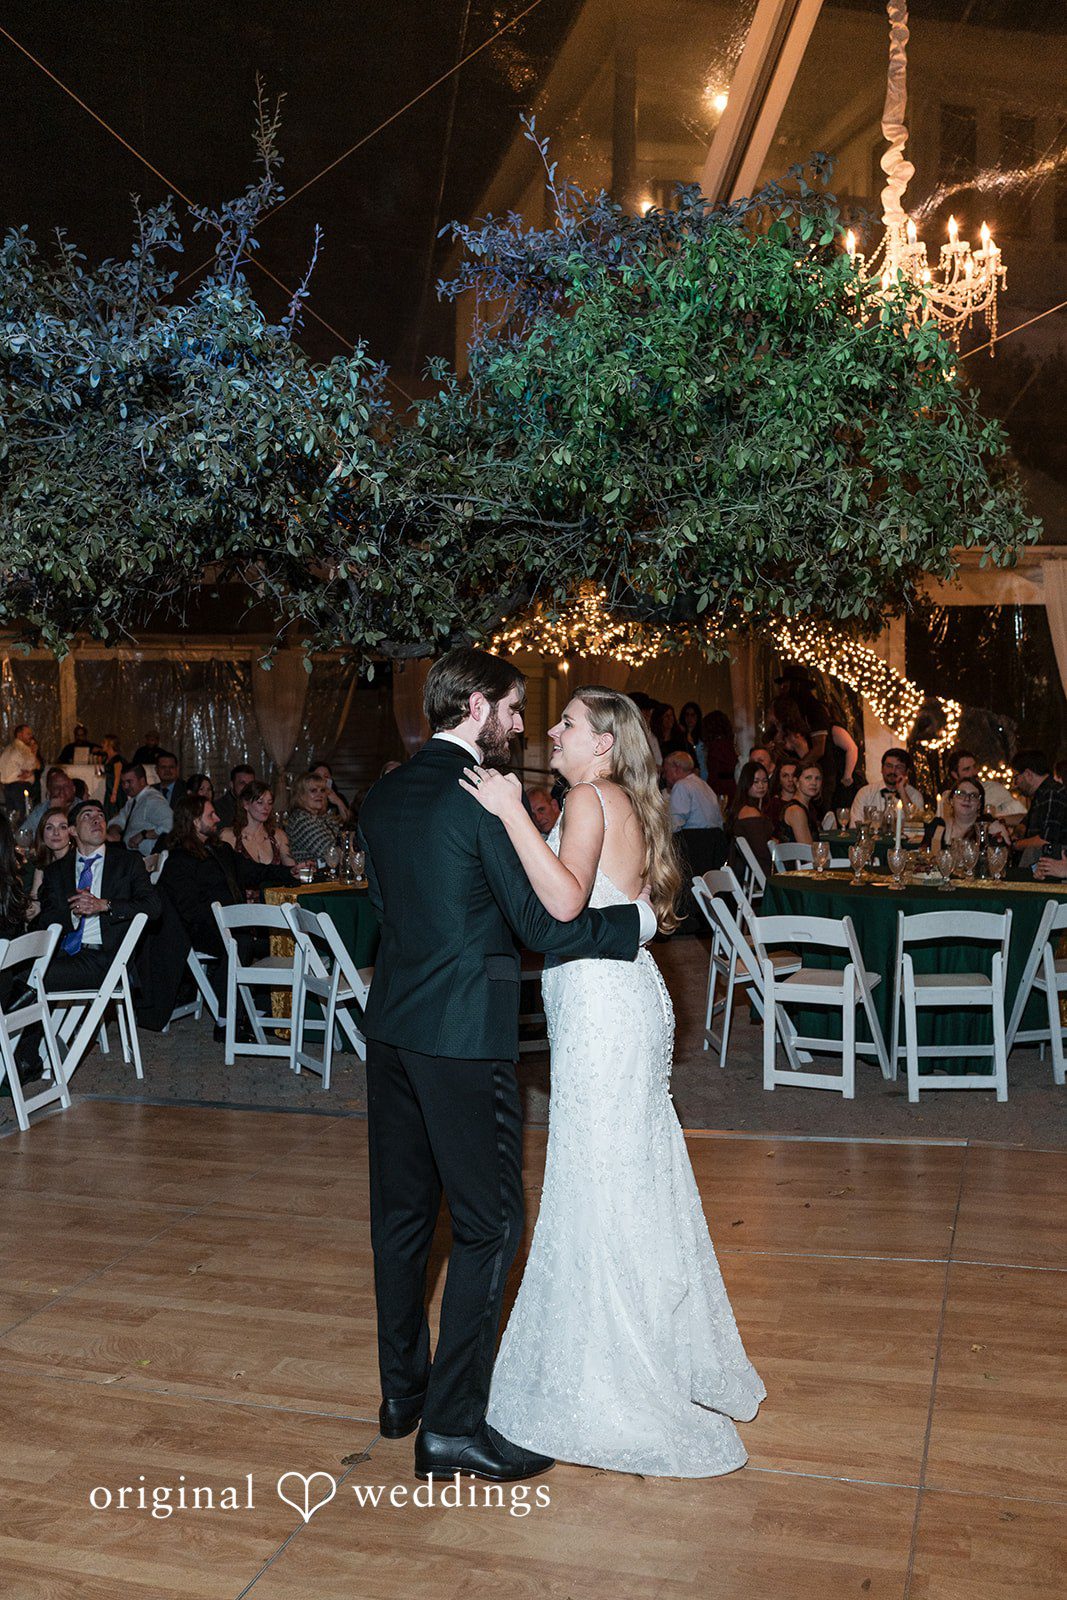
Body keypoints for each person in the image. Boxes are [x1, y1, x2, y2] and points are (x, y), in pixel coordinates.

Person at [356, 648, 654, 1485]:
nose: (523, 724)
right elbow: (547, 925)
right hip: (463, 1036)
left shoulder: (382, 792)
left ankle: (400, 1395)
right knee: (489, 1225)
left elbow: (384, 907)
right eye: (516, 709)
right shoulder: (485, 800)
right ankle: (451, 1430)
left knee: (403, 1218)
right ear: (479, 707)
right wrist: (628, 930)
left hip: (392, 1032)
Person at [463, 682, 764, 1476]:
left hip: (602, 1007)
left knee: (596, 1180)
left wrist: (506, 816)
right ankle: (653, 1343)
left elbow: (561, 903)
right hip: (621, 997)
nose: (550, 733)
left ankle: (615, 1373)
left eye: (564, 724)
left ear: (600, 743)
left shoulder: (590, 800)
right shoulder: (617, 797)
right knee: (629, 1176)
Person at [158, 795, 295, 989]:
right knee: (241, 943)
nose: (218, 819)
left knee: (275, 941)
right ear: (196, 822)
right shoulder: (179, 861)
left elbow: (255, 871)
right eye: (211, 815)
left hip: (234, 923)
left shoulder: (221, 849)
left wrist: (291, 872)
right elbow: (190, 909)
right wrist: (227, 921)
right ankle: (227, 1012)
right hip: (202, 929)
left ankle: (263, 1006)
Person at [37, 799, 160, 991]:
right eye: (87, 816)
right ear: (73, 831)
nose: (97, 820)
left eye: (100, 816)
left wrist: (105, 905)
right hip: (65, 954)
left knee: (30, 976)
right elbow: (45, 919)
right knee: (17, 971)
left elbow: (153, 907)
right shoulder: (56, 871)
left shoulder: (127, 862)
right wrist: (73, 914)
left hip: (107, 959)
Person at [219, 781, 298, 888]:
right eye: (260, 802)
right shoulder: (229, 836)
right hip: (243, 903)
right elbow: (223, 878)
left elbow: (292, 871)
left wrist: (300, 869)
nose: (266, 808)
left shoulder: (278, 836)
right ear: (246, 804)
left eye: (269, 803)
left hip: (274, 901)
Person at [926, 778, 1011, 856]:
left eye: (973, 795)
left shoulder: (988, 829)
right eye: (961, 794)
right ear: (951, 800)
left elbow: (1000, 860)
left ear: (979, 805)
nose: (967, 799)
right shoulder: (938, 827)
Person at [1011, 749, 1067, 867]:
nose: (1015, 784)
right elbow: (1026, 824)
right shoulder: (1041, 795)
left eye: (1016, 778)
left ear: (1028, 774)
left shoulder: (1052, 793)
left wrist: (1015, 845)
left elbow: (1046, 840)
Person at [937, 748, 1023, 824]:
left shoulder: (994, 789)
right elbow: (940, 827)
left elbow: (1021, 817)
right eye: (967, 769)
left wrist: (995, 820)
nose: (974, 772)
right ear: (955, 775)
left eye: (974, 767)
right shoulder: (947, 798)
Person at [107, 764, 174, 856]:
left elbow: (171, 825)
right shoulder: (133, 801)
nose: (125, 786)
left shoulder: (152, 800)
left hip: (148, 861)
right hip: (132, 857)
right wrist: (114, 831)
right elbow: (120, 819)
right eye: (123, 783)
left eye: (129, 782)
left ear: (142, 781)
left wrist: (143, 835)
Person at [728, 760, 775, 883]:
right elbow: (761, 851)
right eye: (756, 782)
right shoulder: (750, 812)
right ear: (746, 783)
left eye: (765, 781)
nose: (761, 786)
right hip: (756, 873)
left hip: (750, 872)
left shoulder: (746, 808)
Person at [849, 749, 923, 826]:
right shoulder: (865, 793)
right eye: (889, 766)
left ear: (907, 771)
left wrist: (902, 791)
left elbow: (916, 825)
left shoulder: (915, 796)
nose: (893, 771)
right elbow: (855, 826)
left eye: (899, 767)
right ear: (882, 769)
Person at [285, 770, 345, 862]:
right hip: (309, 874)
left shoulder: (322, 817)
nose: (319, 795)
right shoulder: (301, 820)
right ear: (301, 795)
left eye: (322, 790)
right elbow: (332, 855)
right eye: (313, 791)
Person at [26, 807, 72, 923]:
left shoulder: (77, 862)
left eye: (63, 827)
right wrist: (31, 910)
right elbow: (35, 898)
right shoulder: (43, 864)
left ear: (72, 832)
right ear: (42, 834)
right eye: (49, 828)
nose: (56, 833)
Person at [662, 751, 724, 831]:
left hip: (695, 840)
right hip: (715, 838)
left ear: (676, 769)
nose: (664, 776)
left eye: (666, 771)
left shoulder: (681, 785)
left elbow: (674, 824)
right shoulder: (703, 784)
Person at [781, 760, 825, 847]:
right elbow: (807, 851)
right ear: (796, 782)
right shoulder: (796, 810)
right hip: (800, 859)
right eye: (808, 778)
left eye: (818, 778)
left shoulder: (806, 807)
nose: (814, 783)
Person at [22, 767, 76, 837]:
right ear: (49, 791)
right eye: (56, 787)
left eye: (66, 786)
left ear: (74, 789)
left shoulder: (82, 808)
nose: (62, 790)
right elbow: (25, 835)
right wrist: (52, 811)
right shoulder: (40, 810)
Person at [0, 723, 40, 812]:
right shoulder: (23, 749)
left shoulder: (8, 748)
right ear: (19, 735)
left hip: (8, 787)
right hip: (19, 787)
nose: (31, 736)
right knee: (22, 815)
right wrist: (34, 752)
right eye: (28, 734)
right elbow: (35, 765)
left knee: (12, 814)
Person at [699, 711, 738, 802]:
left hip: (719, 788)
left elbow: (714, 772)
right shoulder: (729, 743)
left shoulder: (716, 746)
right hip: (731, 785)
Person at [309, 759, 353, 825]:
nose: (323, 780)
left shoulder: (339, 797)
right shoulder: (309, 798)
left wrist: (337, 801)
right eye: (318, 777)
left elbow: (347, 820)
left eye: (326, 776)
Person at [215, 764, 256, 830]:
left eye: (250, 784)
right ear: (232, 784)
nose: (247, 788)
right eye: (242, 783)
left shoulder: (258, 804)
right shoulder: (218, 808)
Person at [766, 757, 799, 835]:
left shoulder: (805, 801)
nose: (790, 779)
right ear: (779, 779)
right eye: (785, 776)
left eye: (794, 775)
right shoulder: (773, 805)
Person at [99, 734, 126, 816]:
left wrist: (114, 793)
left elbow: (117, 777)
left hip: (116, 790)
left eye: (104, 742)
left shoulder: (117, 759)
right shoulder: (108, 758)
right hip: (110, 789)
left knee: (114, 812)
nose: (101, 744)